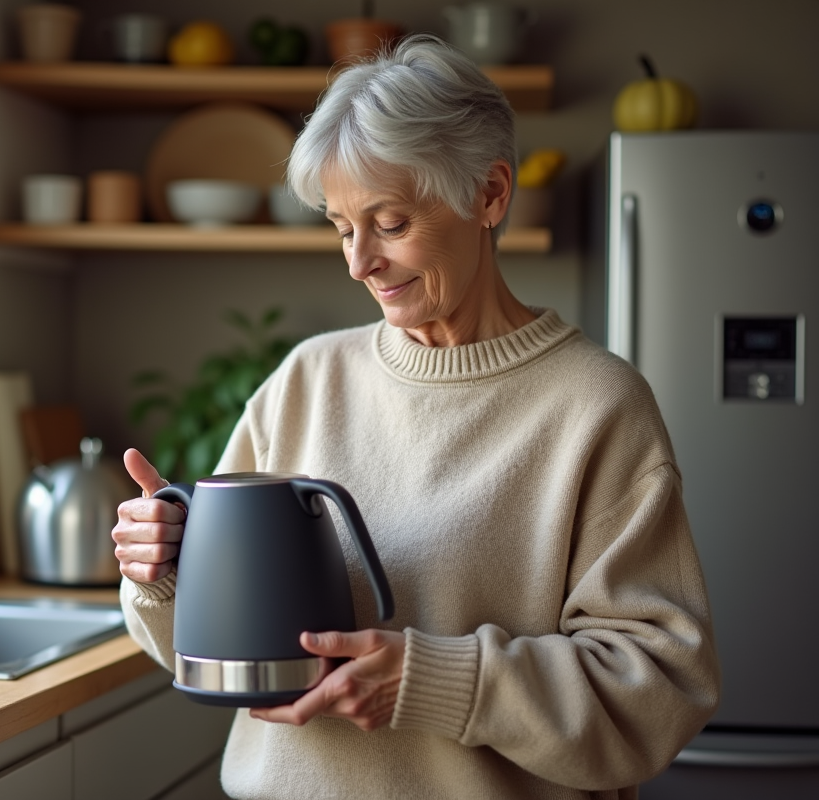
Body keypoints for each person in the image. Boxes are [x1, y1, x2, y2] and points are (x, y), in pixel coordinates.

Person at [111, 34, 720, 800]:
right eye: (340, 227)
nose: (359, 261)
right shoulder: (308, 379)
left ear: (490, 195)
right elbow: (213, 653)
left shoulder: (597, 406)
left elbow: (658, 693)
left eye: (390, 223)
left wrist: (439, 681)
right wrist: (164, 571)